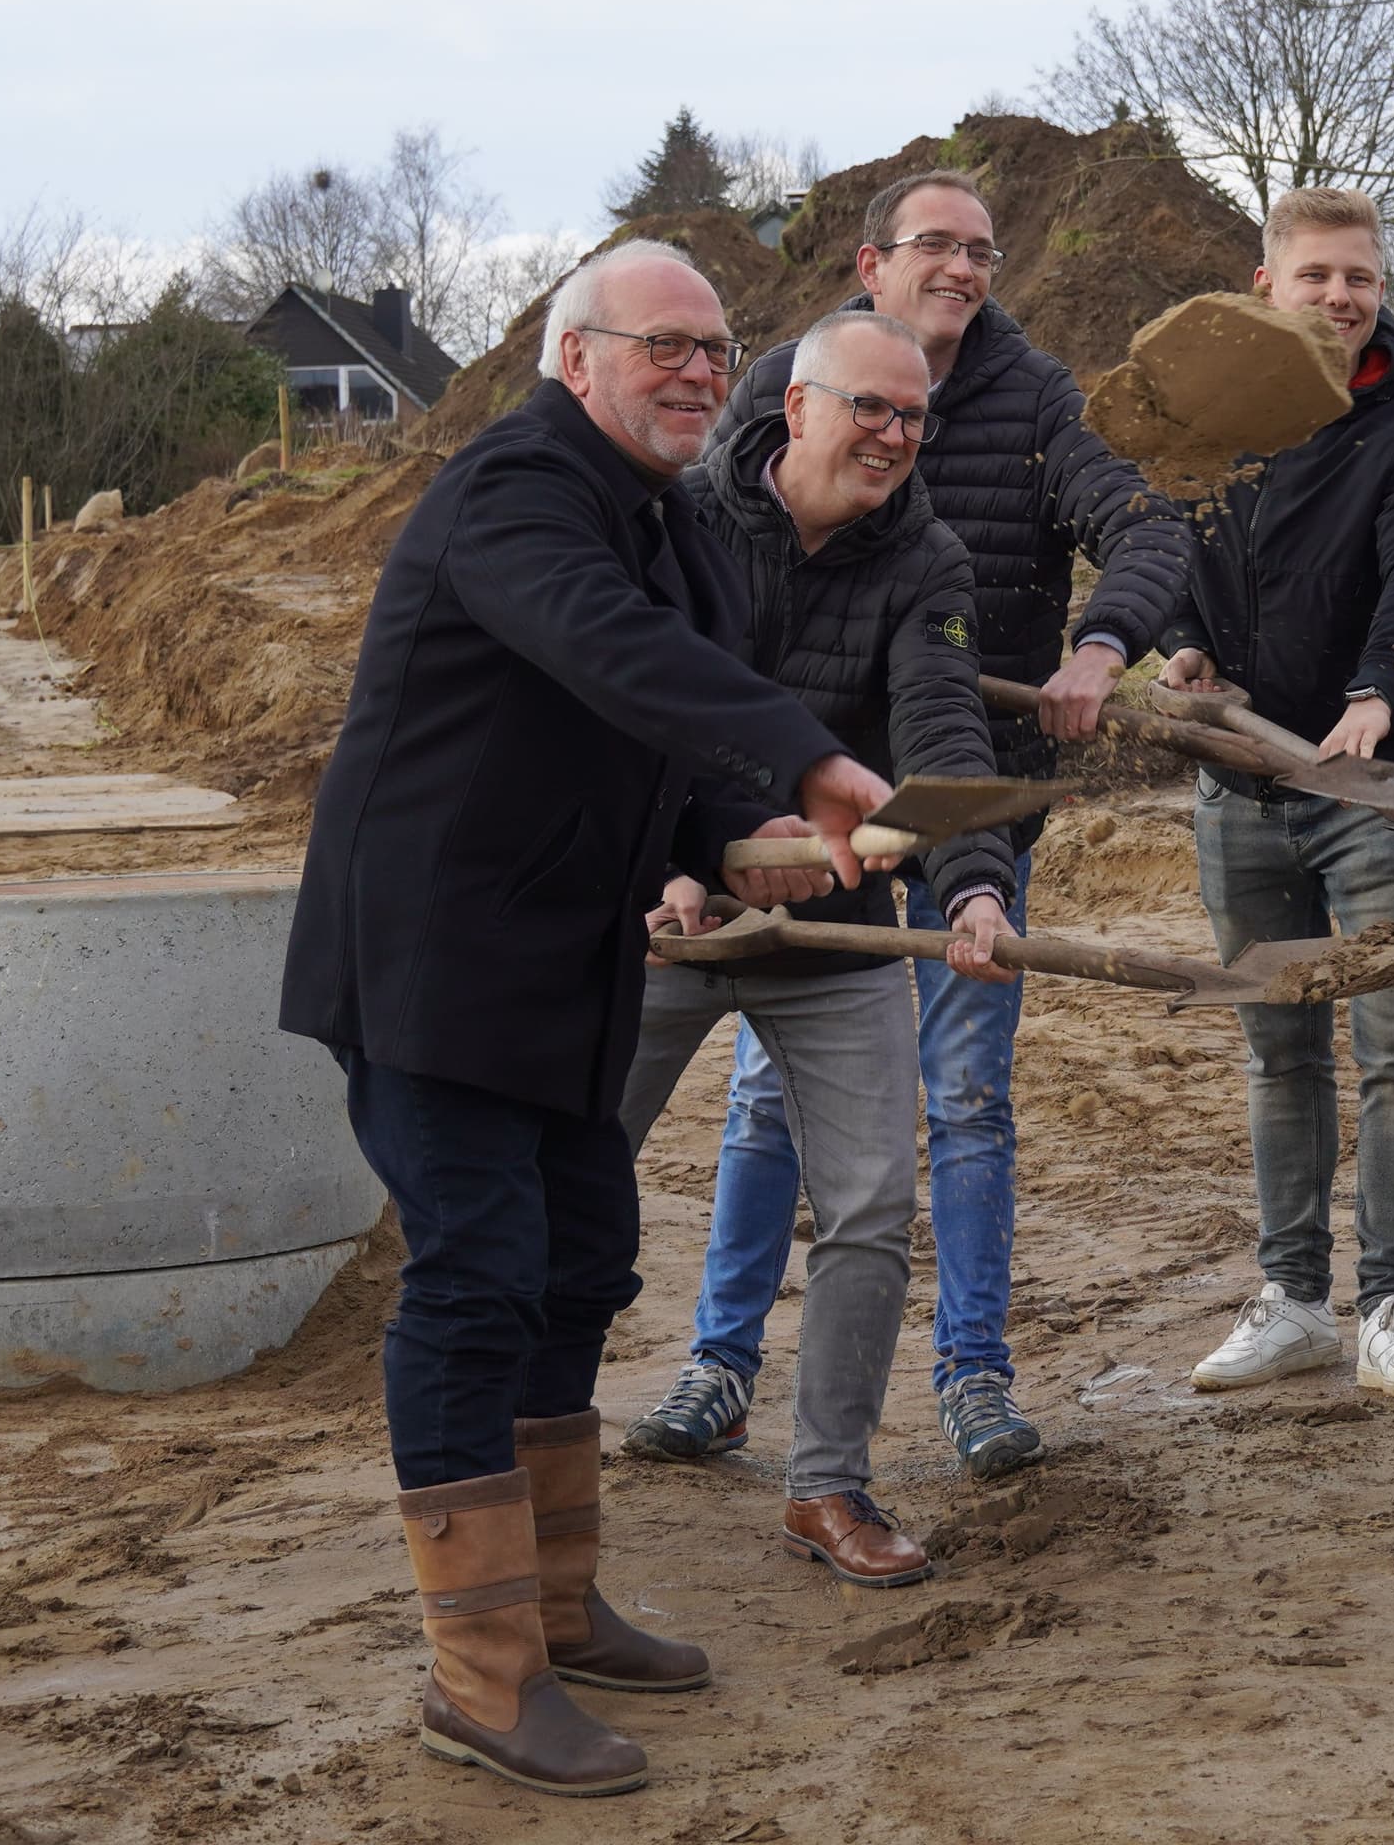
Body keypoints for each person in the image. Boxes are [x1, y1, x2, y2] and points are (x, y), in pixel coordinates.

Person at [280, 238, 897, 1799]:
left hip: (564, 958)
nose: (699, 371)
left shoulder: (673, 524)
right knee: (477, 1278)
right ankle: (483, 1677)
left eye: (716, 348)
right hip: (431, 957)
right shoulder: (513, 492)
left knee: (579, 1263)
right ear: (576, 359)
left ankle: (555, 1608)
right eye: (662, 344)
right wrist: (803, 752)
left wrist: (742, 833)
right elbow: (611, 654)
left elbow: (666, 743)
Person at [640, 169, 1191, 1480]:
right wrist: (696, 835)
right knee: (772, 1097)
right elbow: (699, 619)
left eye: (983, 251)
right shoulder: (785, 387)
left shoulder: (1035, 403)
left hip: (960, 792)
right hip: (790, 808)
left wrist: (1100, 646)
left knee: (966, 1093)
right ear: (870, 263)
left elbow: (1147, 529)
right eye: (936, 244)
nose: (962, 269)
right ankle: (722, 1362)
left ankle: (973, 1374)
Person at [623, 309, 1018, 1592]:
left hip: (839, 919)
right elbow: (633, 709)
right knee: (565, 1166)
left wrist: (970, 887)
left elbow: (942, 728)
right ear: (796, 409)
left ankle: (828, 1484)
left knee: (870, 1203)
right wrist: (671, 863)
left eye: (915, 417)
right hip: (673, 913)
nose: (895, 437)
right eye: (871, 409)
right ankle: (526, 1445)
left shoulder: (927, 555)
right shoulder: (679, 519)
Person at [1155, 188, 1394, 1399]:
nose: (1342, 297)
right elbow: (1169, 551)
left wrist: (1381, 688)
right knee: (1278, 1049)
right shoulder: (1215, 426)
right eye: (1318, 276)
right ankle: (1292, 1299)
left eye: (1361, 277)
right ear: (1267, 285)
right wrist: (1183, 641)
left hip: (1371, 789)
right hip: (1240, 785)